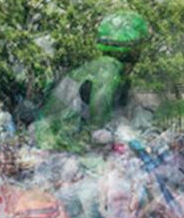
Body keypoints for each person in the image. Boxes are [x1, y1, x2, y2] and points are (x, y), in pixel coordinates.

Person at [34, 10, 149, 152]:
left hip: (53, 137)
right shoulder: (109, 69)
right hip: (52, 141)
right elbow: (98, 120)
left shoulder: (104, 69)